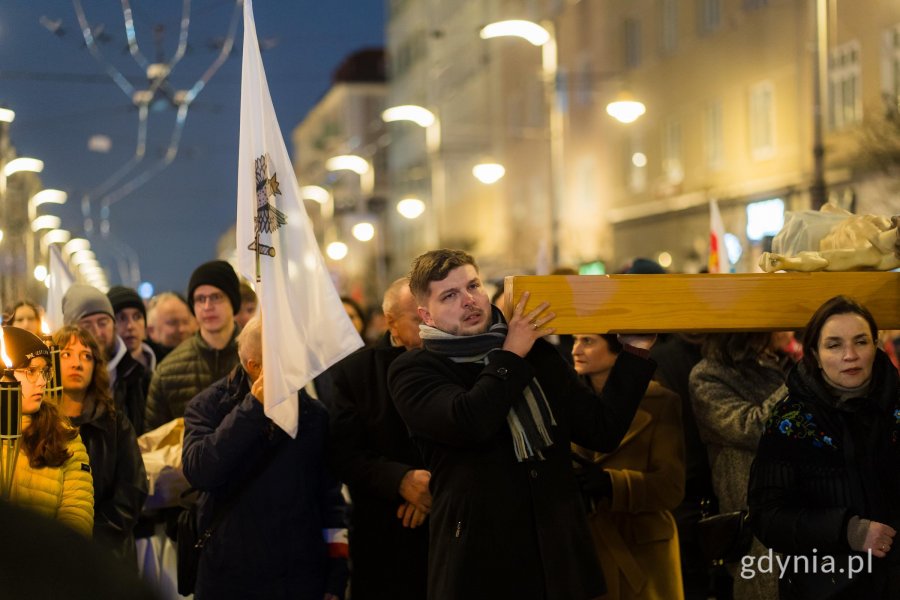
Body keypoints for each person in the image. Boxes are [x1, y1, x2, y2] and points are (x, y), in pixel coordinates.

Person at [387, 249, 657, 600]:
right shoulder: (415, 370)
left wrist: (635, 351)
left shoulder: (536, 353)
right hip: (481, 563)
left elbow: (601, 429)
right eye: (449, 296)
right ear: (427, 314)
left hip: (558, 556)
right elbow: (470, 422)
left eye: (473, 286)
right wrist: (511, 355)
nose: (468, 301)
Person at [182, 316, 349, 599]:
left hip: (299, 578)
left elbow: (329, 498)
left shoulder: (314, 414)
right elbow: (200, 470)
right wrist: (252, 409)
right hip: (231, 577)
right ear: (255, 366)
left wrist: (337, 575)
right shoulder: (209, 405)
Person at [748, 296, 900, 598]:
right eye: (834, 345)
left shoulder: (896, 408)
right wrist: (848, 530)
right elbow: (767, 516)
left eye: (860, 342)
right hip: (828, 583)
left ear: (876, 346)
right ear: (815, 355)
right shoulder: (791, 421)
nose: (850, 355)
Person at [328, 277, 429, 600]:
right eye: (417, 319)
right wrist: (401, 480)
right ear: (391, 322)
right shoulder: (356, 372)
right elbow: (344, 454)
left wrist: (432, 490)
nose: (429, 326)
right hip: (384, 532)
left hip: (448, 524)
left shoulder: (453, 362)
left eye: (431, 315)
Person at [572, 333, 686, 599]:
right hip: (586, 547)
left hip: (641, 546)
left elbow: (671, 486)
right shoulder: (565, 404)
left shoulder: (660, 402)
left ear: (618, 349)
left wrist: (613, 483)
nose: (576, 349)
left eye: (588, 341)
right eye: (575, 340)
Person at [690, 332, 791, 600]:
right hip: (752, 518)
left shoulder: (771, 365)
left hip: (795, 508)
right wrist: (798, 382)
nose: (789, 330)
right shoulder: (707, 376)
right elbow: (753, 427)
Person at [54, 324, 148, 565]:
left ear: (96, 366)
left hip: (107, 557)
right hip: (49, 552)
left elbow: (131, 491)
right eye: (66, 354)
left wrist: (88, 540)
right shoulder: (38, 424)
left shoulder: (115, 425)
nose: (77, 363)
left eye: (86, 356)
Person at [2, 326, 94, 537]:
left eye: (45, 372)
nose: (42, 381)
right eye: (31, 372)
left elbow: (77, 513)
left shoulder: (63, 436)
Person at [145, 260, 242, 431]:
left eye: (216, 297)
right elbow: (155, 443)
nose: (207, 306)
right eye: (200, 299)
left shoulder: (261, 356)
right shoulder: (167, 371)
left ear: (232, 301)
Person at [62, 284, 147, 435]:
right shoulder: (58, 380)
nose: (97, 332)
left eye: (103, 323)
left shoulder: (138, 376)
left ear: (113, 325)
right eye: (87, 325)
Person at [107, 285, 158, 376]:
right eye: (122, 318)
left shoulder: (163, 361)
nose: (130, 326)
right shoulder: (104, 374)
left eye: (137, 317)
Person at [146, 292, 197, 362]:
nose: (181, 329)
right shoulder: (147, 367)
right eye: (172, 323)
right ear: (151, 331)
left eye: (185, 322)